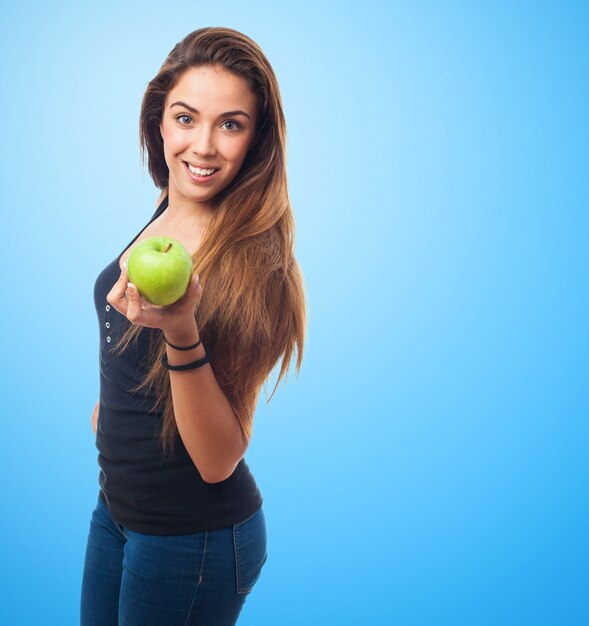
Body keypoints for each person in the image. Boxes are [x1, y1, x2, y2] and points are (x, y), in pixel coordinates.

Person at [80, 26, 306, 626]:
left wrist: (183, 331)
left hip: (193, 538)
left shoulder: (255, 264)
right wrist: (113, 408)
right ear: (159, 120)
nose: (202, 147)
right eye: (185, 118)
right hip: (117, 510)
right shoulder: (170, 201)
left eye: (230, 124)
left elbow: (218, 461)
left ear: (256, 140)